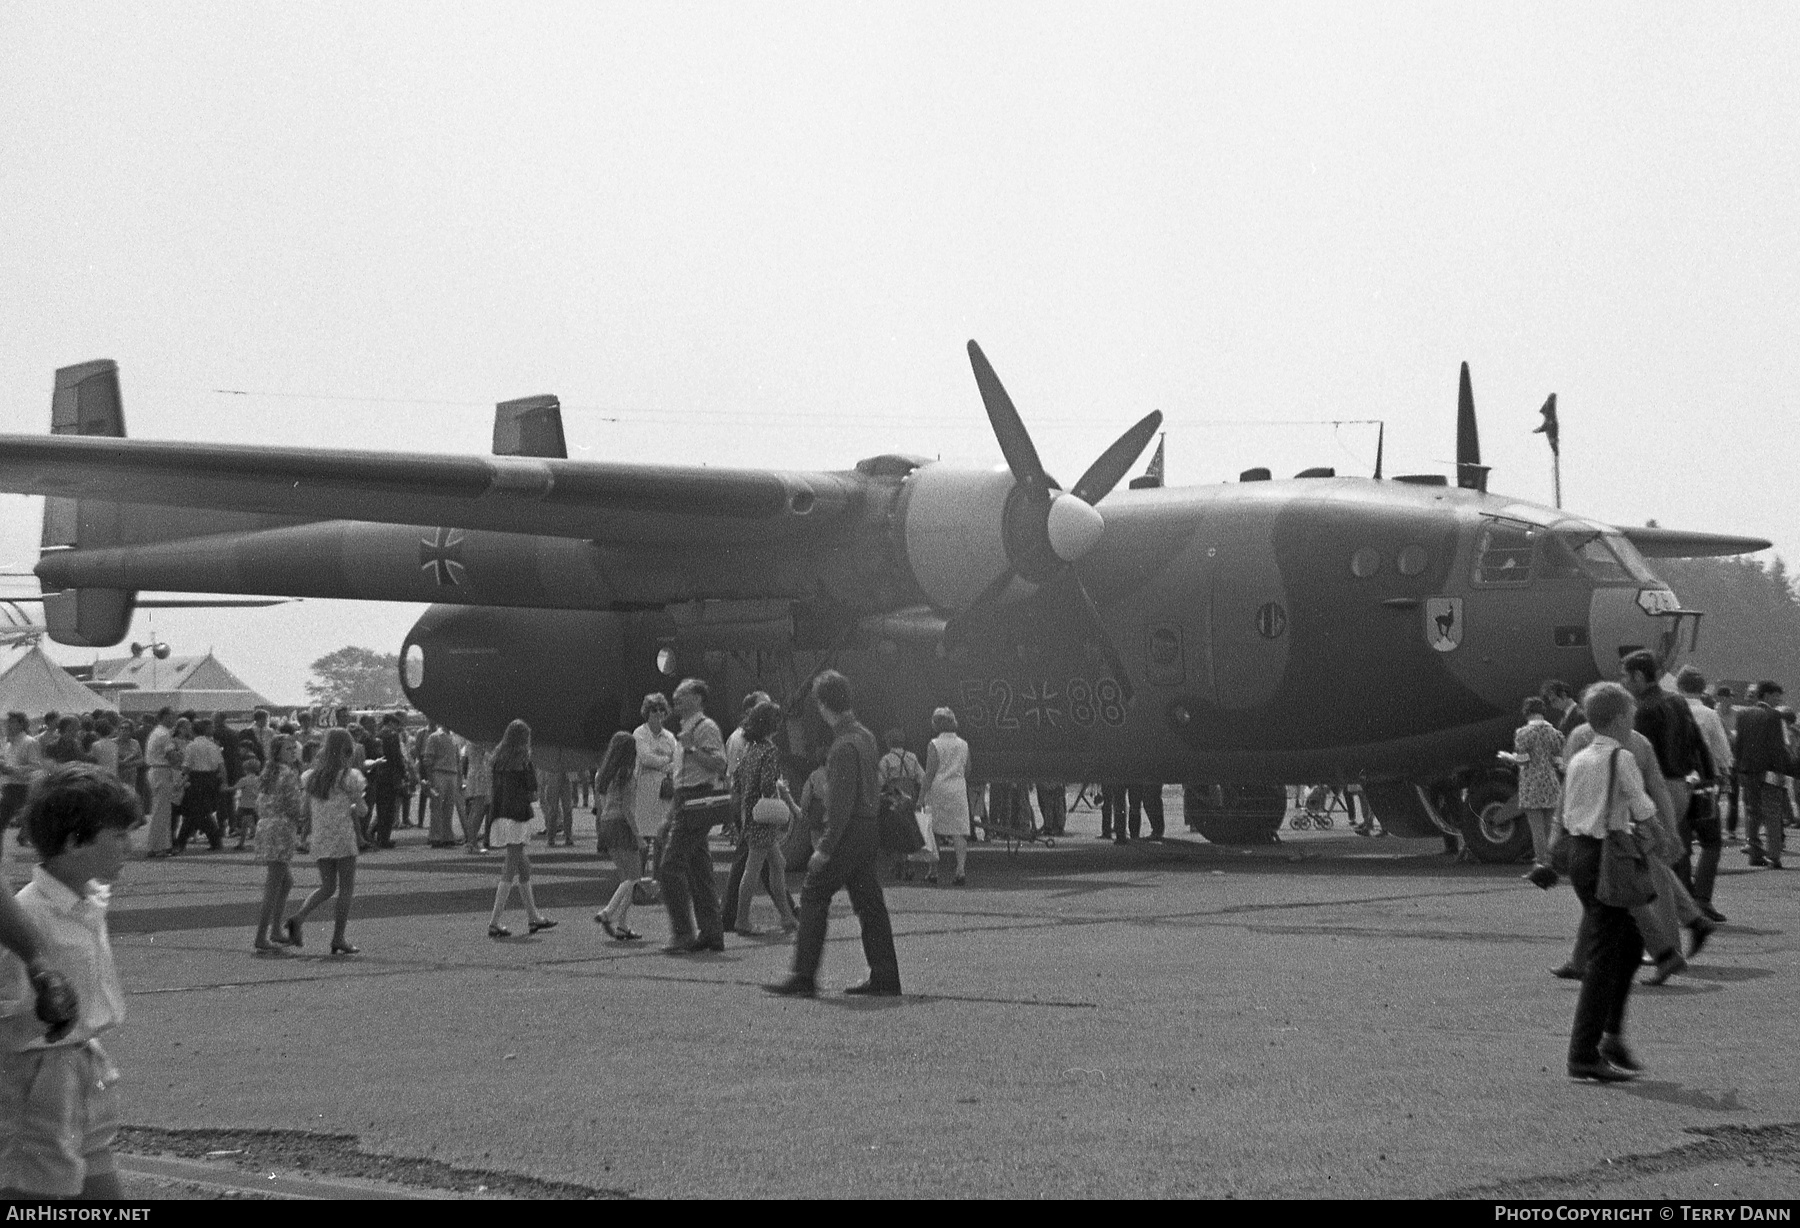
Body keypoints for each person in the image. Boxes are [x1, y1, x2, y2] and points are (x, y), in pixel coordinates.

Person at [0, 763, 139, 1198]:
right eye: (117, 835)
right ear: (75, 842)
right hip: (37, 1072)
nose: (128, 846)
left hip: (84, 1062)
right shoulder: (28, 918)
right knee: (33, 1190)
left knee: (101, 1181)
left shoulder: (88, 900)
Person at [767, 671, 900, 997]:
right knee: (870, 903)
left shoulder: (842, 746)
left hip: (849, 830)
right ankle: (885, 977)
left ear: (825, 705)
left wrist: (824, 847)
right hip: (869, 828)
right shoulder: (866, 737)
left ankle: (803, 976)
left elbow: (840, 804)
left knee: (813, 894)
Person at [1555, 682, 1655, 1082]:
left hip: (1581, 854)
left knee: (1628, 945)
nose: (1632, 723)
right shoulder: (1621, 757)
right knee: (1604, 957)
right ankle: (1584, 1052)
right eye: (1630, 717)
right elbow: (1642, 805)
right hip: (1606, 856)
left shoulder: (1579, 756)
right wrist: (1663, 836)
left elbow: (1568, 808)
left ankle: (1610, 1036)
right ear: (1616, 720)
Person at [657, 679, 731, 954]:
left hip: (696, 800)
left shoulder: (705, 728)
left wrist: (690, 748)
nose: (675, 696)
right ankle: (712, 934)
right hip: (684, 800)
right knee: (699, 871)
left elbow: (719, 764)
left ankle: (683, 933)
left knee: (670, 866)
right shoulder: (687, 728)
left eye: (683, 693)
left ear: (698, 698)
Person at [284, 729, 366, 955]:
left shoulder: (312, 777)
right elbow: (361, 810)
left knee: (327, 887)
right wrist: (352, 805)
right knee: (346, 889)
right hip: (342, 836)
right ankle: (338, 937)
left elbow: (305, 810)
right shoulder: (349, 777)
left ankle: (298, 918)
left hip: (320, 838)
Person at [730, 700, 800, 936]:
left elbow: (737, 781)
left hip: (750, 812)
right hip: (763, 816)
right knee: (753, 867)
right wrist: (777, 803)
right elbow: (768, 783)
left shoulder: (750, 750)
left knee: (777, 864)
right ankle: (742, 920)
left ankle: (788, 917)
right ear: (772, 724)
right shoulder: (769, 750)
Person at [486, 719, 556, 939]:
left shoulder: (498, 759)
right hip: (518, 815)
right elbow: (533, 791)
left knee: (524, 867)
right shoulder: (524, 759)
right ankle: (494, 921)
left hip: (500, 815)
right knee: (510, 867)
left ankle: (534, 917)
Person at [1675, 667, 1731, 921]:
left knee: (1682, 844)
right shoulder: (1708, 714)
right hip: (1704, 784)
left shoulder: (1670, 711)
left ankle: (1683, 899)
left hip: (1676, 782)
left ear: (1679, 686)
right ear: (1701, 688)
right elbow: (1721, 751)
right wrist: (1725, 775)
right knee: (1711, 842)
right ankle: (1703, 898)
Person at [719, 691, 774, 917]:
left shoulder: (754, 738)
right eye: (764, 706)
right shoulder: (740, 738)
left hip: (750, 803)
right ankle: (730, 914)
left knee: (762, 860)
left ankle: (730, 914)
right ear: (751, 711)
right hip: (746, 803)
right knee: (752, 859)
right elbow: (735, 775)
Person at [1501, 696, 1564, 883]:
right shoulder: (1554, 733)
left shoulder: (1523, 733)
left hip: (1531, 784)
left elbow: (1523, 760)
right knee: (1548, 828)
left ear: (1527, 712)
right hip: (1551, 783)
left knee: (1536, 830)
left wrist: (1508, 757)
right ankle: (1552, 865)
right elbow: (1557, 760)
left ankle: (1541, 867)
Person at [592, 732, 647, 941]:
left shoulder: (603, 773)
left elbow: (602, 803)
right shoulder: (627, 774)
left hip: (606, 823)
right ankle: (608, 912)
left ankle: (623, 926)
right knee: (634, 877)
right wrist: (638, 835)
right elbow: (626, 808)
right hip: (621, 825)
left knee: (626, 877)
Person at [252, 738, 302, 953]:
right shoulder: (288, 774)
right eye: (288, 749)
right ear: (277, 752)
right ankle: (262, 935)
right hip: (281, 827)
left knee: (285, 881)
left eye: (294, 748)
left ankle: (274, 930)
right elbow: (293, 805)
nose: (292, 751)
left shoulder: (267, 772)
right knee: (274, 884)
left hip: (266, 825)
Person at [1732, 681, 1788, 869]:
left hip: (1747, 771)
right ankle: (1774, 855)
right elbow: (1777, 746)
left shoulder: (1743, 714)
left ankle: (1754, 851)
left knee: (1751, 812)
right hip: (1768, 771)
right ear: (1766, 695)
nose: (1778, 699)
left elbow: (1738, 744)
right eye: (1776, 695)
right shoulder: (1774, 715)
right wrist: (1781, 771)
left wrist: (1738, 768)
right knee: (1772, 812)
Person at [918, 707, 971, 885]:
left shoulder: (934, 744)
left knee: (935, 831)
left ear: (936, 724)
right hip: (958, 788)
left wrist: (921, 796)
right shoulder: (963, 744)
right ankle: (960, 869)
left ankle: (933, 871)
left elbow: (930, 772)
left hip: (939, 788)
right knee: (959, 831)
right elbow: (968, 768)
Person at [877, 728, 925, 880]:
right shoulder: (912, 757)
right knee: (909, 830)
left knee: (894, 831)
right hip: (909, 796)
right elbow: (921, 778)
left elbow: (880, 781)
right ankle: (909, 865)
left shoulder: (886, 759)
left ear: (888, 742)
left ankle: (897, 864)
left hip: (894, 796)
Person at [174, 719, 224, 853]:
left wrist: (180, 780)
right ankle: (214, 841)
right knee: (201, 811)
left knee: (194, 812)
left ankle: (181, 842)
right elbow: (221, 767)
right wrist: (222, 782)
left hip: (196, 779)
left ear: (194, 731)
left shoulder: (191, 746)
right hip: (211, 778)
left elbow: (186, 767)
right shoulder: (213, 746)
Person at [0, 713, 47, 847]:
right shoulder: (9, 744)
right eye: (8, 722)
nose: (8, 725)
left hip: (22, 787)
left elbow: (35, 766)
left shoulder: (29, 742)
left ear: (22, 724)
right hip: (9, 786)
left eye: (13, 722)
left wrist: (11, 769)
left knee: (29, 819)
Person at [140, 709, 178, 859]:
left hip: (156, 771)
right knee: (161, 811)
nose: (174, 719)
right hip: (161, 770)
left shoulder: (157, 732)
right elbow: (171, 756)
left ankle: (160, 846)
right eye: (172, 716)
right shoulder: (164, 734)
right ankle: (157, 847)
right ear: (165, 717)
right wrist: (179, 757)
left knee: (161, 810)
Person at [421, 723, 466, 849]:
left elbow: (458, 760)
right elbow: (428, 759)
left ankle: (447, 835)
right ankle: (436, 836)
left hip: (451, 773)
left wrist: (459, 778)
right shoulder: (434, 737)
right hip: (439, 772)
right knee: (437, 806)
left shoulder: (453, 738)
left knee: (448, 806)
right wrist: (430, 779)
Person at [463, 741, 493, 852]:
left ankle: (471, 841)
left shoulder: (469, 741)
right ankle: (472, 843)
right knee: (478, 809)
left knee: (476, 809)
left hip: (474, 772)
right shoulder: (479, 740)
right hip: (480, 774)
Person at [233, 756, 262, 852]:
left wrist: (225, 788)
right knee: (245, 824)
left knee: (243, 823)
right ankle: (241, 843)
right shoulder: (259, 779)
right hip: (255, 805)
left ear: (246, 769)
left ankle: (253, 831)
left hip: (244, 805)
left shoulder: (244, 780)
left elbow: (235, 788)